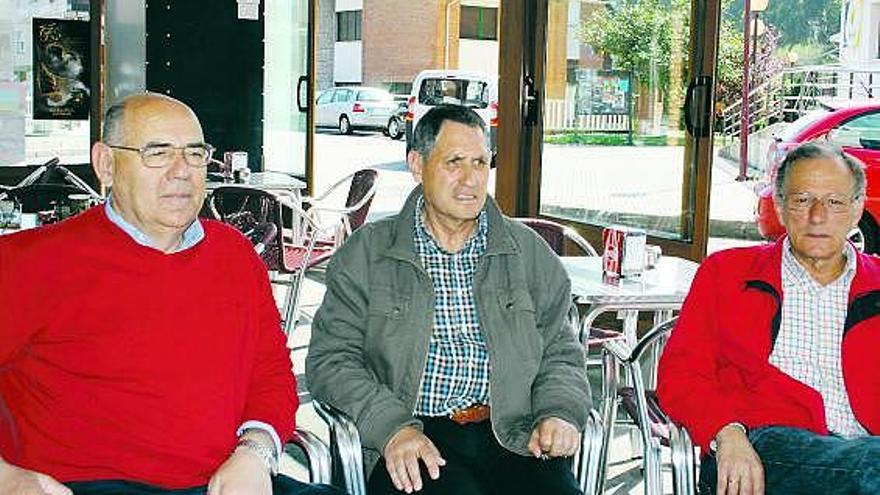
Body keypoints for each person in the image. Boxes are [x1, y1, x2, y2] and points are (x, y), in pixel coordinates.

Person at [0, 93, 339, 495]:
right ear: (106, 164)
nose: (182, 171)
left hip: (227, 478)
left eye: (195, 154)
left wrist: (255, 451)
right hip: (90, 483)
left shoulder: (234, 255)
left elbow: (270, 376)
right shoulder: (28, 263)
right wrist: (8, 478)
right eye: (158, 153)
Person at [306, 104, 590, 495]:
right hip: (417, 433)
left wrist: (559, 410)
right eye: (454, 162)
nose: (470, 180)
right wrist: (391, 426)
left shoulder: (527, 253)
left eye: (480, 162)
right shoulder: (368, 254)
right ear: (417, 165)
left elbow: (560, 351)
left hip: (514, 432)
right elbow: (331, 359)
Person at [657, 142, 880, 495]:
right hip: (760, 448)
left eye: (834, 202)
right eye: (802, 200)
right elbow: (680, 374)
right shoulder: (728, 274)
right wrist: (727, 431)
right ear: (779, 206)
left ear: (856, 211)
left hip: (863, 450)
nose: (818, 216)